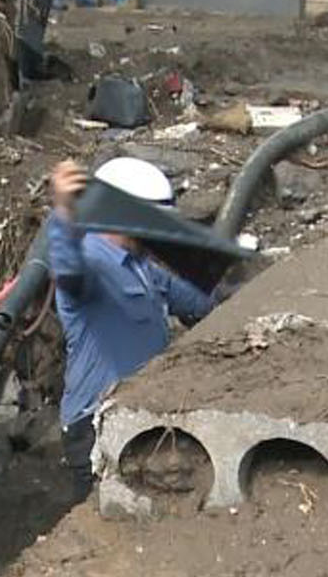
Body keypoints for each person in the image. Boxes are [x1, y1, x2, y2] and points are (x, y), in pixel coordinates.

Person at [48, 157, 215, 505]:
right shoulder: (91, 262)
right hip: (94, 425)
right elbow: (67, 271)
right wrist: (63, 212)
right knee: (102, 522)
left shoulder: (141, 266)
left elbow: (201, 304)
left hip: (138, 415)